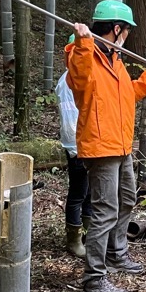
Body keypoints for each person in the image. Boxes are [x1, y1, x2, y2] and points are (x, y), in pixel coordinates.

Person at [66, 0, 146, 292]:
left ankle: (116, 252)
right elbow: (80, 77)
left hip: (121, 145)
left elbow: (130, 94)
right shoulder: (84, 57)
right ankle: (94, 279)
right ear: (116, 29)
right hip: (100, 147)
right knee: (104, 211)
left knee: (127, 198)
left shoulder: (115, 61)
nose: (127, 36)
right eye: (126, 30)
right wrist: (83, 41)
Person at [56, 35, 90, 259]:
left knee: (88, 193)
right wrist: (78, 146)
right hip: (78, 146)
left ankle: (90, 232)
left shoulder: (80, 79)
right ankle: (74, 240)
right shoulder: (68, 82)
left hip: (88, 144)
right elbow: (70, 121)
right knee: (78, 194)